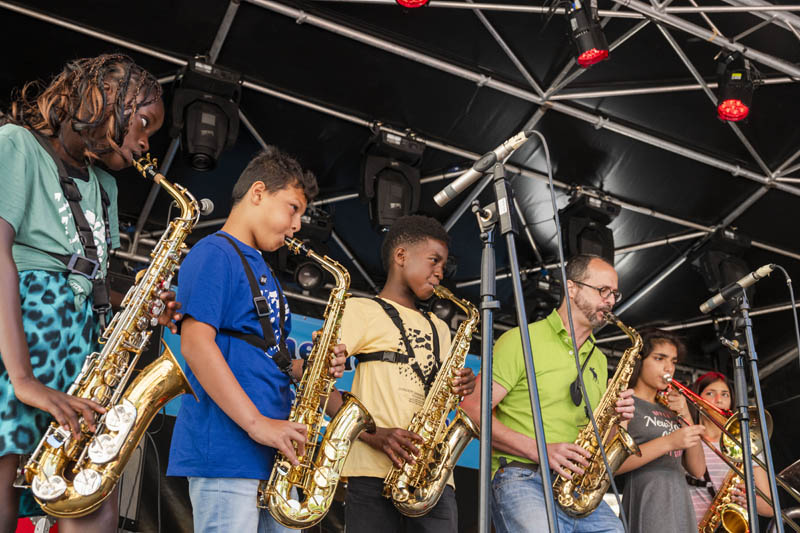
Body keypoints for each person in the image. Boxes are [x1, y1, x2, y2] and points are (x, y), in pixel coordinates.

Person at [0, 53, 182, 533]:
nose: (145, 142)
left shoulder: (104, 185)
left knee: (91, 498)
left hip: (81, 357)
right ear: (104, 102)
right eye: (143, 123)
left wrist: (143, 302)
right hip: (18, 343)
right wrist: (22, 379)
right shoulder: (16, 145)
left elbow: (93, 277)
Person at [166, 147, 347, 533]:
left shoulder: (263, 269)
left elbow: (268, 356)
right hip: (229, 451)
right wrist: (257, 424)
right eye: (293, 208)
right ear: (258, 192)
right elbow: (196, 345)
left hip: (273, 455)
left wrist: (312, 367)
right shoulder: (215, 252)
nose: (297, 225)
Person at [461, 253, 635, 533]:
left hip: (576, 488)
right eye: (603, 290)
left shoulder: (600, 361)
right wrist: (540, 450)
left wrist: (619, 418)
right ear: (572, 287)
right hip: (521, 477)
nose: (611, 301)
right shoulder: (521, 340)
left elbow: (603, 444)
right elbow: (472, 410)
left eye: (615, 294)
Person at [325, 215, 475, 533]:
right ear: (401, 256)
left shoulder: (441, 328)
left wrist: (461, 387)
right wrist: (370, 433)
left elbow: (441, 402)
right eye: (434, 260)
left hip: (433, 481)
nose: (440, 273)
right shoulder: (362, 310)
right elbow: (318, 381)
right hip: (371, 475)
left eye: (444, 266)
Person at [616, 329, 706, 533]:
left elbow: (698, 469)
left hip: (679, 500)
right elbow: (615, 464)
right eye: (659, 358)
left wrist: (685, 415)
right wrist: (670, 442)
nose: (669, 368)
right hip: (648, 499)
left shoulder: (671, 409)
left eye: (673, 361)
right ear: (640, 360)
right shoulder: (626, 402)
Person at [686, 370, 773, 525]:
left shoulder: (747, 445)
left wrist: (750, 500)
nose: (719, 400)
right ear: (696, 399)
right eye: (710, 393)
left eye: (725, 394)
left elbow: (770, 507)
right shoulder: (686, 439)